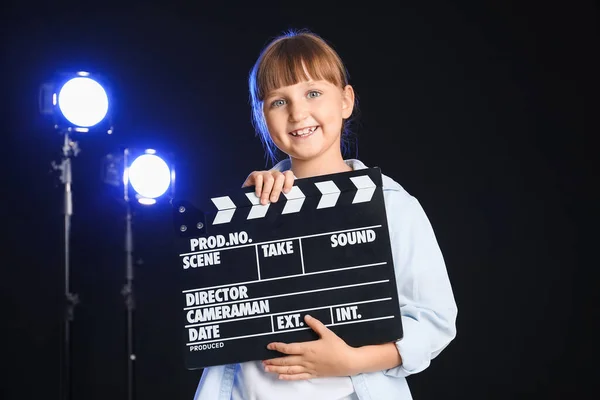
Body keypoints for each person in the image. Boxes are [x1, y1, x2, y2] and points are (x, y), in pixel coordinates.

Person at [193, 29, 457, 400]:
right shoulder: (249, 204)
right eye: (277, 101)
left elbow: (434, 322)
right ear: (261, 116)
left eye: (313, 93)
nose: (298, 112)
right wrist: (247, 216)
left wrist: (352, 360)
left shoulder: (393, 205)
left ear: (346, 100)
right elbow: (219, 313)